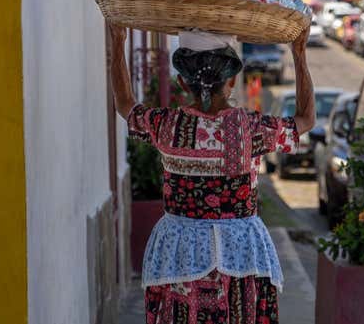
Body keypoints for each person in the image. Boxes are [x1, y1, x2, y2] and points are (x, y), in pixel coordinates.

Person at [109, 26, 314, 324]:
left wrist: (118, 42)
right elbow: (306, 118)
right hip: (241, 257)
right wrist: (299, 54)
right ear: (232, 80)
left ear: (182, 82)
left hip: (180, 256)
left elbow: (125, 104)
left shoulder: (167, 126)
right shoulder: (252, 129)